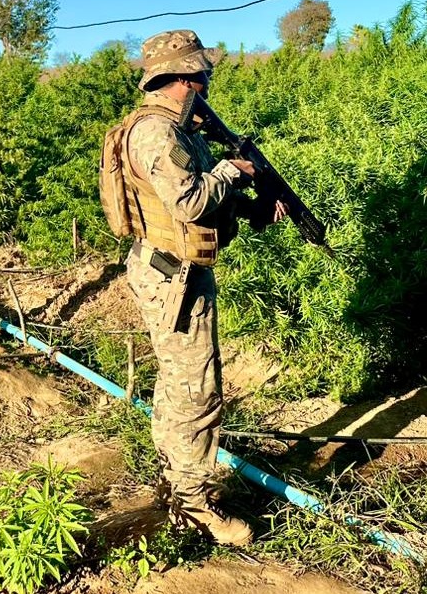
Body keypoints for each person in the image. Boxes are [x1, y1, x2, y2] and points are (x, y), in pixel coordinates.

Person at [119, 30, 286, 545]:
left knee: (178, 384)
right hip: (175, 276)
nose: (209, 84)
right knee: (197, 390)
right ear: (184, 78)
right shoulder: (156, 133)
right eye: (204, 75)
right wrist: (232, 171)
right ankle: (194, 506)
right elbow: (189, 203)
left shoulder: (172, 127)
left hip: (173, 268)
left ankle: (177, 479)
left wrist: (254, 206)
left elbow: (201, 205)